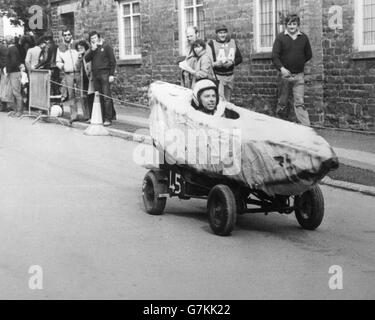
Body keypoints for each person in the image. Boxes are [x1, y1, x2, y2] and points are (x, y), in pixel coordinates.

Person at [272, 13, 312, 126]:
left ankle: (307, 129)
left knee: (300, 103)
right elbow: (275, 56)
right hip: (285, 75)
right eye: (289, 24)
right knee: (282, 102)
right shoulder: (280, 37)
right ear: (286, 25)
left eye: (294, 24)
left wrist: (298, 62)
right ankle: (280, 128)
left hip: (299, 76)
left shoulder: (303, 37)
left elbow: (308, 54)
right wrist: (282, 69)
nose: (292, 27)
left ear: (298, 24)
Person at [84, 31, 117, 126]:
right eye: (91, 39)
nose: (94, 40)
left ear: (98, 37)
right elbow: (86, 59)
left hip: (105, 73)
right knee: (99, 96)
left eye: (95, 38)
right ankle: (102, 116)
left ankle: (108, 118)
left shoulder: (106, 46)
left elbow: (112, 61)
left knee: (106, 96)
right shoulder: (93, 49)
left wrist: (111, 74)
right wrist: (92, 50)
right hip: (96, 74)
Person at [207, 24, 243, 102]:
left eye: (224, 33)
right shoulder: (211, 44)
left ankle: (226, 114)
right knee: (220, 100)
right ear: (216, 34)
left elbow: (239, 58)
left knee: (228, 101)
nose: (222, 35)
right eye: (220, 33)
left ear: (227, 33)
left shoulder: (232, 42)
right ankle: (220, 114)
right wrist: (214, 64)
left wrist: (232, 63)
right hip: (218, 76)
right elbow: (206, 61)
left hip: (230, 76)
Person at [56, 28, 81, 123]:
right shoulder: (60, 48)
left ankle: (87, 115)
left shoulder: (77, 45)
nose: (67, 36)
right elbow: (57, 61)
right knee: (71, 95)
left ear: (71, 35)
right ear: (63, 36)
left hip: (78, 73)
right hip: (68, 74)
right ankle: (74, 115)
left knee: (83, 94)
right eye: (65, 35)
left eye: (68, 34)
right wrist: (63, 66)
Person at [4, 36, 24, 117]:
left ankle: (19, 111)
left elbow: (14, 61)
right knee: (15, 92)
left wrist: (8, 70)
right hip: (14, 72)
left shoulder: (11, 49)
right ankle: (16, 110)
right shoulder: (14, 48)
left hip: (14, 72)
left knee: (16, 92)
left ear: (8, 41)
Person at [76, 40, 94, 121]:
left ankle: (92, 115)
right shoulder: (80, 56)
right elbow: (77, 67)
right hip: (83, 79)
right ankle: (87, 116)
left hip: (90, 78)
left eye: (81, 48)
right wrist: (79, 59)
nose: (80, 49)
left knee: (91, 97)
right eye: (78, 48)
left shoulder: (88, 54)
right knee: (84, 97)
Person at [0, 37, 9, 111]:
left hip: (2, 69)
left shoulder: (2, 48)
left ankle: (3, 106)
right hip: (4, 68)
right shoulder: (5, 48)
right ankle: (4, 105)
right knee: (4, 87)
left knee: (2, 87)